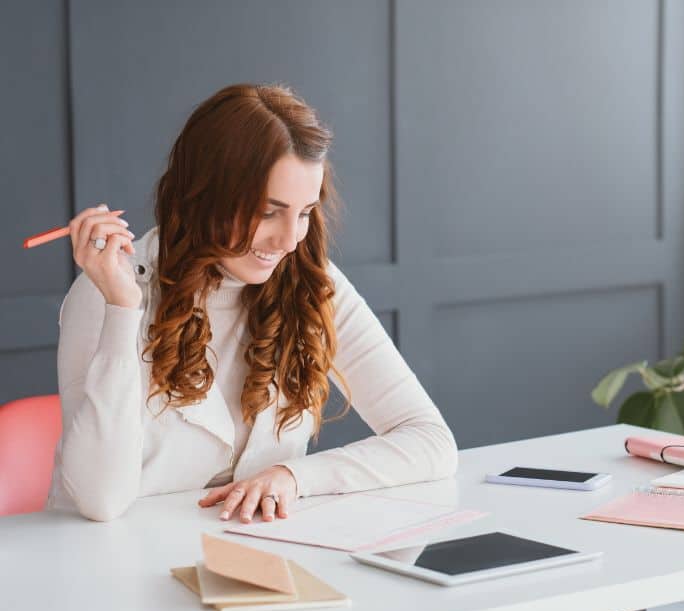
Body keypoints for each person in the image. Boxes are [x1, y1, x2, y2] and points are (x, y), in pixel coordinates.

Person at [47, 83, 458, 523]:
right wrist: (122, 311)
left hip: (251, 563)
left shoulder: (312, 284)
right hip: (108, 568)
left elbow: (430, 440)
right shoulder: (109, 293)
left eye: (303, 213)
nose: (287, 241)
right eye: (267, 211)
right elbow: (100, 501)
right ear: (205, 195)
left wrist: (293, 476)